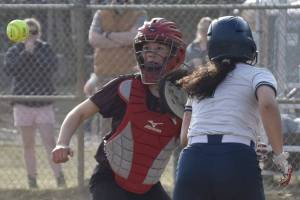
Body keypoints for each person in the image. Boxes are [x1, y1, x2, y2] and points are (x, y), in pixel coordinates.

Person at [52, 18, 186, 200]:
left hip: (148, 186)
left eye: (159, 49)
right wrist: (62, 142)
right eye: (147, 48)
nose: (152, 54)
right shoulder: (126, 87)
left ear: (175, 54)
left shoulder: (183, 98)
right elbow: (79, 113)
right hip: (110, 179)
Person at [173, 16, 292, 200]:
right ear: (248, 46)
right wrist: (279, 157)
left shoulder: (199, 80)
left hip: (193, 161)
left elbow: (184, 138)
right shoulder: (258, 74)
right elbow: (268, 105)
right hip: (235, 157)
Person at [3, 18, 65, 188]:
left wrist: (34, 53)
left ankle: (59, 177)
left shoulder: (45, 49)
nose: (30, 36)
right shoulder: (15, 50)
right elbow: (10, 70)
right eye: (27, 33)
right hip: (22, 102)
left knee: (50, 143)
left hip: (43, 102)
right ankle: (32, 180)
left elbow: (51, 68)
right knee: (28, 144)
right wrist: (25, 53)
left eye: (34, 33)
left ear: (39, 34)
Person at [83, 0, 147, 139]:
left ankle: (126, 149)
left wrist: (107, 35)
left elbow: (135, 37)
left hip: (130, 74)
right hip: (104, 74)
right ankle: (105, 150)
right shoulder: (101, 13)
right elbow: (93, 38)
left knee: (128, 113)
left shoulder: (139, 13)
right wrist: (122, 42)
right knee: (107, 116)